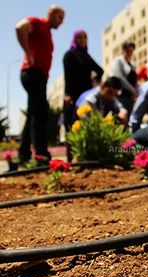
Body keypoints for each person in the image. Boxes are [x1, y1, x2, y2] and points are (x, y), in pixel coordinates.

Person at [15, 5, 65, 164]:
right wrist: (28, 54)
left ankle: (24, 154)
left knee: (33, 113)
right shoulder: (38, 23)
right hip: (33, 73)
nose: (61, 22)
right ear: (51, 14)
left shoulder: (47, 32)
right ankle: (41, 154)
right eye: (60, 18)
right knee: (39, 113)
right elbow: (20, 27)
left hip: (39, 76)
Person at [63, 29, 103, 161]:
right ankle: (71, 159)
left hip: (85, 95)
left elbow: (100, 70)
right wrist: (67, 94)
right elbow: (68, 77)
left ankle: (86, 157)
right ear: (75, 39)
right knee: (72, 127)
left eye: (84, 37)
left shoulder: (87, 56)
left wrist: (93, 82)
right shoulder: (70, 55)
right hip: (73, 95)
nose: (82, 40)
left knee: (86, 124)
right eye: (79, 37)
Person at [112, 41, 138, 116]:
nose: (129, 53)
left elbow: (135, 80)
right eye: (127, 51)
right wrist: (133, 90)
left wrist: (136, 91)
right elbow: (119, 78)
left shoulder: (132, 64)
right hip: (120, 96)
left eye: (131, 51)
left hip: (130, 97)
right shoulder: (118, 61)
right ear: (123, 50)